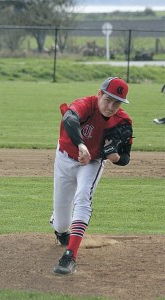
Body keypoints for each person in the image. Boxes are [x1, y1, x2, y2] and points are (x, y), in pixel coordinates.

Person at [50, 77, 133, 275]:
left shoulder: (122, 121)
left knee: (83, 198)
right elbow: (69, 119)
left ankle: (70, 256)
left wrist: (116, 157)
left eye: (117, 102)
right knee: (62, 223)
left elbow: (126, 158)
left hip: (93, 163)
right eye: (108, 99)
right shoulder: (86, 104)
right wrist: (81, 144)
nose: (111, 106)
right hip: (65, 158)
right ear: (99, 94)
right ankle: (61, 230)